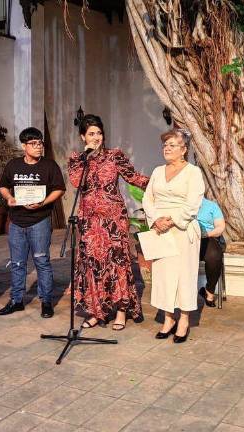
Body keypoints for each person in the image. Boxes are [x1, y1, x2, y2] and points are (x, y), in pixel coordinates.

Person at [68, 114, 149, 330]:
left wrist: (162, 184)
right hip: (89, 221)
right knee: (93, 266)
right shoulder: (77, 160)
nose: (96, 137)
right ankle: (97, 311)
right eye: (91, 134)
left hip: (113, 220)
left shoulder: (115, 156)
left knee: (117, 263)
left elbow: (134, 177)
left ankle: (121, 311)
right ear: (83, 137)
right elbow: (77, 183)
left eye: (99, 133)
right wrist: (86, 158)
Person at [143, 130, 205, 343]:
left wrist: (171, 220)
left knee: (184, 275)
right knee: (163, 276)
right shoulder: (158, 171)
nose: (167, 149)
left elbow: (192, 203)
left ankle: (184, 319)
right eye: (165, 145)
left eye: (171, 145)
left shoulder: (193, 172)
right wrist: (156, 220)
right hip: (160, 230)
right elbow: (147, 199)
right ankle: (168, 318)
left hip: (182, 229)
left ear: (184, 150)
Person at [0, 127, 66, 318]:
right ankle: (17, 300)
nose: (38, 147)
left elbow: (59, 189)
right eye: (34, 144)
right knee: (18, 263)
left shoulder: (49, 166)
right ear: (24, 145)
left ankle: (46, 301)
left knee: (41, 261)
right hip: (17, 222)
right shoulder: (14, 165)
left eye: (40, 143)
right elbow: (3, 186)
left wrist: (43, 202)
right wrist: (9, 197)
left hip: (39, 221)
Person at [196, 198, 226, 308]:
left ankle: (209, 291)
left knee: (214, 256)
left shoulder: (211, 206)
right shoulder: (181, 202)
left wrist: (207, 234)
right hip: (187, 239)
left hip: (207, 237)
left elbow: (220, 226)